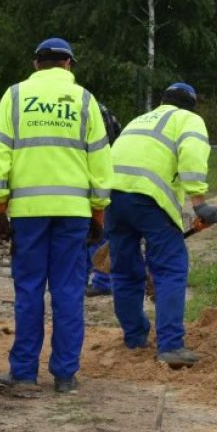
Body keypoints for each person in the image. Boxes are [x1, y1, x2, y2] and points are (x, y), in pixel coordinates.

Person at [0, 37, 113, 394]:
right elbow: (101, 160)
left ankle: (24, 373)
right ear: (68, 65)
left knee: (29, 290)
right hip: (73, 213)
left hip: (28, 213)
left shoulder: (14, 97)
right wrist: (98, 213)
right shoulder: (85, 101)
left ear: (35, 63)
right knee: (69, 291)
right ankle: (65, 376)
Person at [105, 82, 217, 367]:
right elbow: (193, 156)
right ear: (192, 105)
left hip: (113, 198)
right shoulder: (189, 120)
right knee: (170, 269)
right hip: (150, 199)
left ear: (163, 101)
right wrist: (199, 203)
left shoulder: (139, 119)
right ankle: (170, 345)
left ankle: (134, 337)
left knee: (124, 271)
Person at [85, 103, 122, 297]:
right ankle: (99, 279)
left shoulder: (92, 110)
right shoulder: (96, 108)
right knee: (95, 232)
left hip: (91, 178)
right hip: (102, 177)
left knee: (96, 233)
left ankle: (101, 279)